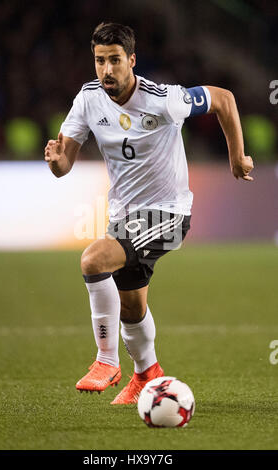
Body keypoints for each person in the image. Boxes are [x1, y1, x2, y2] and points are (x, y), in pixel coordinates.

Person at [44, 22, 254, 405]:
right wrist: (57, 162)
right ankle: (148, 374)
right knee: (130, 304)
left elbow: (223, 99)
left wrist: (236, 157)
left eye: (115, 60)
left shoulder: (164, 99)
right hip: (124, 215)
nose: (107, 70)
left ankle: (106, 360)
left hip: (169, 213)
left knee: (94, 260)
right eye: (99, 61)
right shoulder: (88, 100)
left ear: (132, 61)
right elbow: (64, 163)